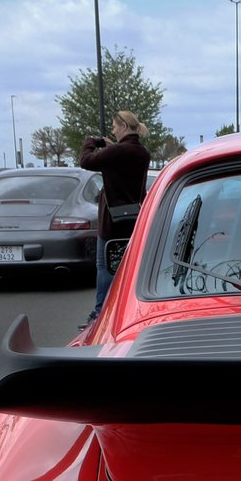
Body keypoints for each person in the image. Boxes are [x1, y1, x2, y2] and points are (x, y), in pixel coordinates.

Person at [79, 110, 151, 322]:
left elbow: (86, 161)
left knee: (105, 267)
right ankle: (129, 309)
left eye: (114, 126)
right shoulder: (142, 152)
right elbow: (122, 163)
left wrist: (91, 141)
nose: (112, 130)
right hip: (135, 219)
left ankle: (100, 313)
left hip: (112, 222)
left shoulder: (117, 152)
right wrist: (112, 148)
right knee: (131, 266)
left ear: (124, 127)